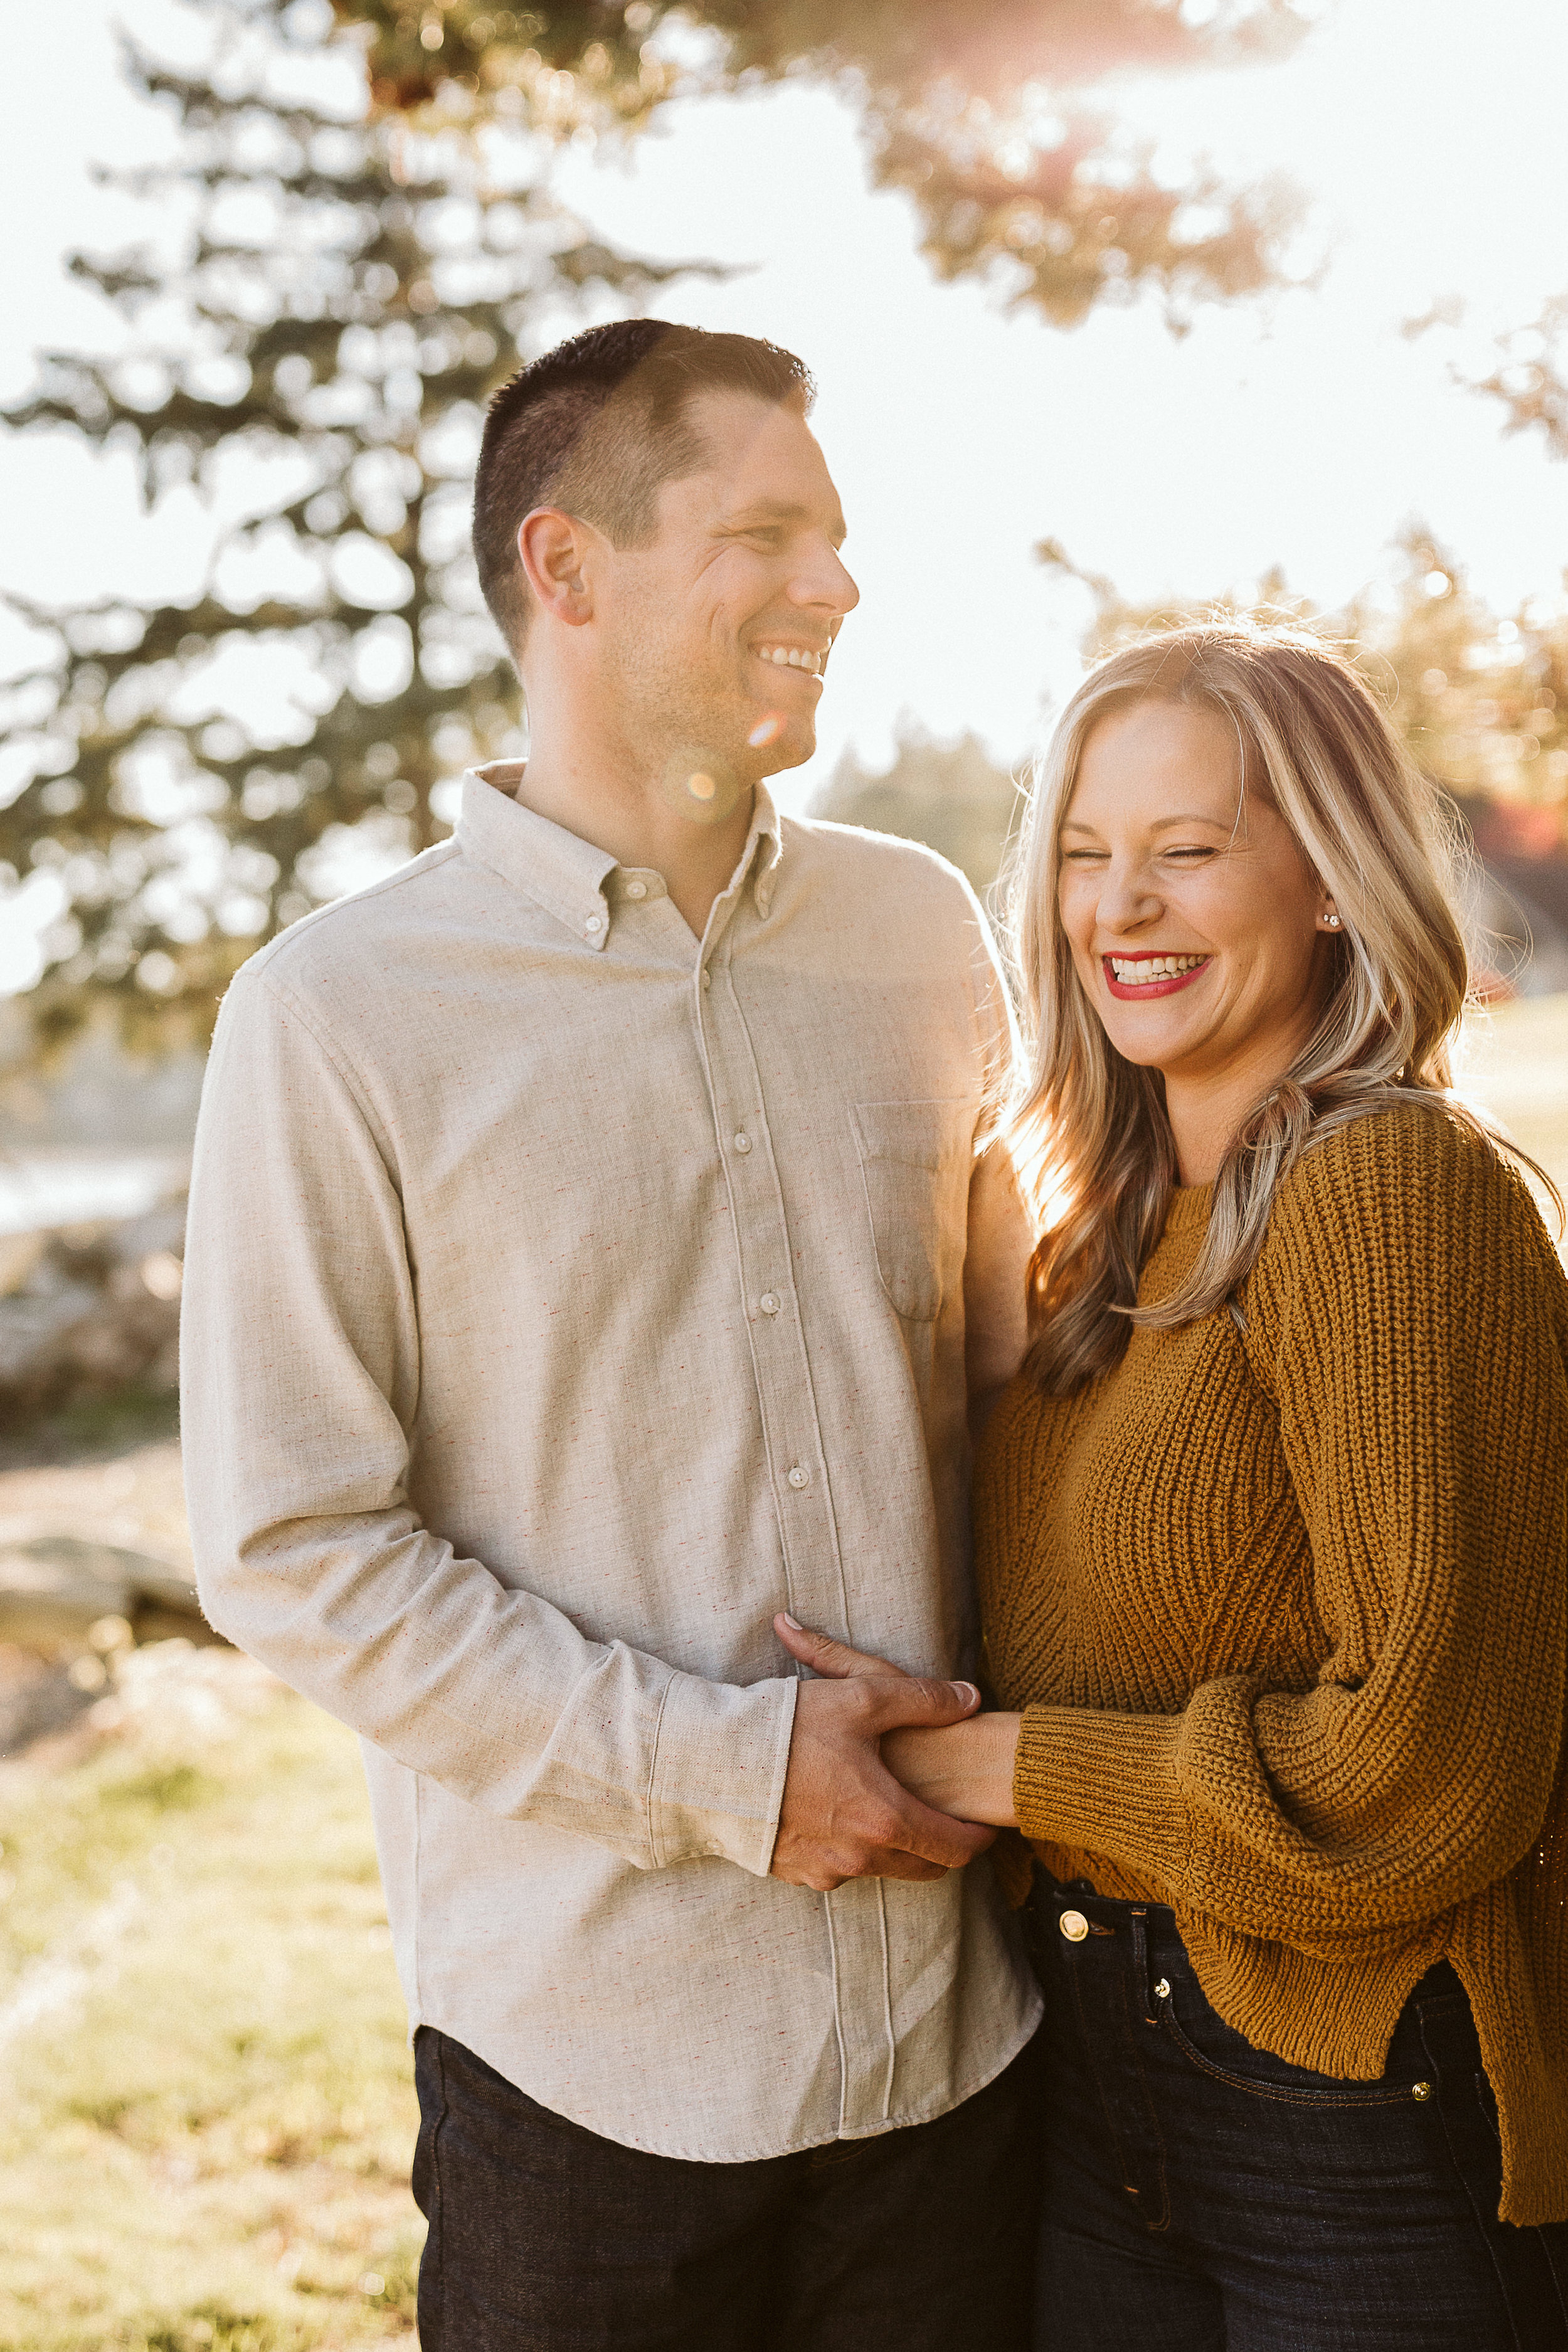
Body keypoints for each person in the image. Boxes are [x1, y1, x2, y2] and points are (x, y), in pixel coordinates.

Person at [179, 319, 1042, 2351]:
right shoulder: (336, 1016)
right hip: (589, 2084)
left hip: (968, 2046)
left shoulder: (922, 931)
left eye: (836, 538)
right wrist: (728, 1775)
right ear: (564, 569)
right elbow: (290, 1546)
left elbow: (1021, 1384)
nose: (835, 587)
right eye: (767, 535)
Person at [778, 621, 1568, 2350]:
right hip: (1098, 2068)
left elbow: (1426, 1775)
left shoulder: (1388, 1189)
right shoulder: (1094, 1239)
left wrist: (986, 1764)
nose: (1118, 908)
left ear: (1333, 884)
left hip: (1355, 2100)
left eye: (1188, 851)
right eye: (1082, 855)